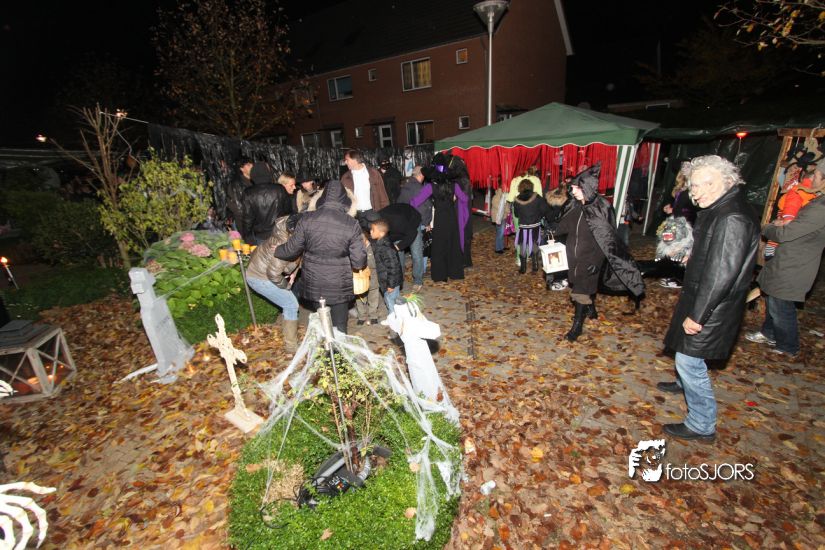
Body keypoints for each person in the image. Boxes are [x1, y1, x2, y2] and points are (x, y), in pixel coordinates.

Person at [658, 155, 759, 442]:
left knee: (689, 361)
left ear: (728, 181)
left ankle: (701, 424)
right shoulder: (720, 208)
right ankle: (683, 383)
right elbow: (717, 255)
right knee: (686, 353)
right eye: (694, 186)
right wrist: (694, 256)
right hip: (703, 295)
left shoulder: (732, 217)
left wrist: (698, 315)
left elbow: (722, 274)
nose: (698, 192)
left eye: (707, 184)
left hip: (713, 305)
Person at [554, 164, 644, 342]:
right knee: (578, 284)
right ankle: (592, 309)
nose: (572, 191)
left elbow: (607, 239)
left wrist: (597, 261)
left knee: (580, 292)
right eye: (573, 188)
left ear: (587, 187)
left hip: (590, 258)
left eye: (576, 188)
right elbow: (564, 226)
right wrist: (551, 230)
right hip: (573, 257)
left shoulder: (601, 207)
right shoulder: (575, 206)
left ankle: (576, 327)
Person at [747, 158, 825, 358]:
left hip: (796, 264)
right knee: (773, 297)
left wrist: (769, 227)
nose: (812, 178)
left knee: (781, 304)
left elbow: (786, 233)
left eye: (816, 175)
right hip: (788, 259)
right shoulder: (817, 201)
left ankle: (788, 346)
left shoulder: (821, 208)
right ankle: (769, 333)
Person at [274, 180, 367, 335]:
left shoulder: (307, 219)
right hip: (339, 284)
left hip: (314, 281)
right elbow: (358, 262)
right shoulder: (351, 224)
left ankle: (326, 347)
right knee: (340, 324)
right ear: (345, 200)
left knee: (324, 321)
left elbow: (291, 250)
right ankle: (338, 349)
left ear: (321, 197)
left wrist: (276, 250)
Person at [245, 215, 301, 352]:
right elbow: (274, 274)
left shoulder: (285, 230)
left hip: (260, 270)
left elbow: (289, 265)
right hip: (260, 277)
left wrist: (294, 271)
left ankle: (290, 340)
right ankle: (291, 347)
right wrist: (287, 286)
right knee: (291, 304)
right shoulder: (284, 244)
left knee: (289, 304)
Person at [411, 168, 464, 282]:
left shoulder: (431, 187)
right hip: (451, 218)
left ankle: (441, 275)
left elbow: (416, 201)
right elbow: (465, 198)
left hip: (440, 219)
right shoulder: (454, 185)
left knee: (439, 246)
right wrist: (454, 199)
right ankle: (454, 272)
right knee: (453, 244)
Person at [660, 163, 698, 289]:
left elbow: (690, 208)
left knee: (682, 250)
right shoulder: (682, 188)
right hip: (678, 222)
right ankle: (675, 275)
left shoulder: (692, 190)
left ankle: (680, 279)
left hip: (686, 224)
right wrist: (671, 208)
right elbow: (679, 204)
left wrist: (674, 210)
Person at [240, 162, 292, 245]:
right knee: (281, 253)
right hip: (279, 232)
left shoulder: (248, 193)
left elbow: (248, 218)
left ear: (253, 175)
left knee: (263, 253)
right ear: (268, 174)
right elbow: (288, 211)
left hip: (261, 236)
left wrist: (247, 236)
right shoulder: (279, 189)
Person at [398, 165, 431, 292]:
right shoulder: (421, 189)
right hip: (414, 223)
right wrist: (427, 222)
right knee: (416, 252)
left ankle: (399, 280)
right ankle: (417, 281)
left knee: (400, 251)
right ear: (421, 175)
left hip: (402, 223)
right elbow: (425, 207)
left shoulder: (404, 186)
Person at [373, 203, 421, 289]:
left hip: (412, 223)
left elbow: (412, 233)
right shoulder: (376, 225)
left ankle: (418, 280)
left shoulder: (396, 221)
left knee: (416, 254)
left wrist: (398, 247)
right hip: (396, 230)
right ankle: (399, 282)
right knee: (397, 257)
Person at [340, 149, 389, 228]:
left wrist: (385, 210)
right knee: (357, 235)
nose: (345, 162)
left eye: (347, 160)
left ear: (354, 160)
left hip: (373, 212)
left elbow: (382, 193)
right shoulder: (345, 177)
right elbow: (342, 198)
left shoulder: (373, 173)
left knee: (377, 233)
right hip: (355, 214)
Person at [512, 179, 550, 274]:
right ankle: (535, 266)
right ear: (531, 186)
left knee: (522, 245)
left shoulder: (517, 199)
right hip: (535, 226)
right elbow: (544, 210)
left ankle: (523, 268)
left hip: (523, 226)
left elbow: (516, 214)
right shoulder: (537, 198)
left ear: (520, 187)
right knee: (534, 244)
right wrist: (538, 216)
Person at [369, 219, 403, 316]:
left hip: (391, 281)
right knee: (389, 299)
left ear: (381, 233)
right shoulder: (380, 244)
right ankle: (394, 317)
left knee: (391, 301)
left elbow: (393, 267)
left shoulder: (386, 247)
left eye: (373, 230)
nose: (370, 231)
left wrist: (391, 285)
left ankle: (394, 319)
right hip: (385, 280)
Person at [544, 179, 571, 290]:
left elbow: (547, 217)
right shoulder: (566, 204)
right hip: (561, 233)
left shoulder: (549, 201)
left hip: (550, 233)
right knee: (562, 256)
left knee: (550, 257)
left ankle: (551, 280)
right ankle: (560, 279)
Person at [355, 231, 380, 326]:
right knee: (359, 298)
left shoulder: (374, 248)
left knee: (373, 297)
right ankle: (361, 316)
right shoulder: (354, 249)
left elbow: (377, 263)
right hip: (359, 278)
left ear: (366, 238)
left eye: (362, 239)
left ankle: (373, 315)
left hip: (373, 277)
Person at [225, 157, 253, 230]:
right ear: (242, 168)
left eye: (252, 164)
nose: (252, 166)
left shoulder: (255, 180)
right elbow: (235, 206)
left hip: (256, 222)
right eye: (248, 165)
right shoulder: (235, 184)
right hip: (244, 223)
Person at [490, 185, 510, 254]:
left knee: (502, 232)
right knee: (500, 233)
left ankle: (501, 246)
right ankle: (498, 248)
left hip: (503, 217)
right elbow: (499, 206)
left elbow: (506, 205)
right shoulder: (496, 197)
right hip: (498, 218)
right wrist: (507, 210)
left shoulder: (503, 196)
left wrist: (507, 210)